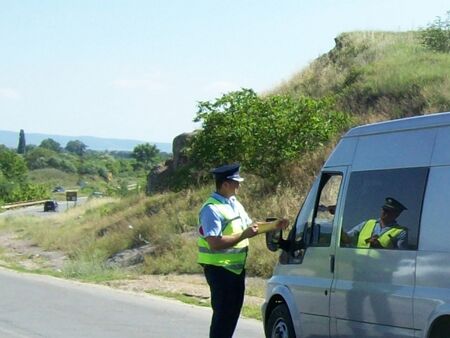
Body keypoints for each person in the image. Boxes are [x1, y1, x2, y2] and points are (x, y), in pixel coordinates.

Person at [197, 163, 288, 338]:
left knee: (231, 315)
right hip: (220, 270)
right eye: (236, 182)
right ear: (225, 184)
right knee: (223, 316)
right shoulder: (211, 209)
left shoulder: (233, 203)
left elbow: (251, 226)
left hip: (235, 269)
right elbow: (214, 243)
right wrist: (243, 236)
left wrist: (274, 225)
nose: (239, 185)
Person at [341, 197, 408, 249]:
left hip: (380, 266)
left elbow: (399, 257)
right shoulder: (367, 223)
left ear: (397, 214)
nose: (384, 212)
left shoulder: (401, 232)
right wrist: (338, 227)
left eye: (388, 211)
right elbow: (347, 239)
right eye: (384, 209)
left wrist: (380, 247)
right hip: (358, 264)